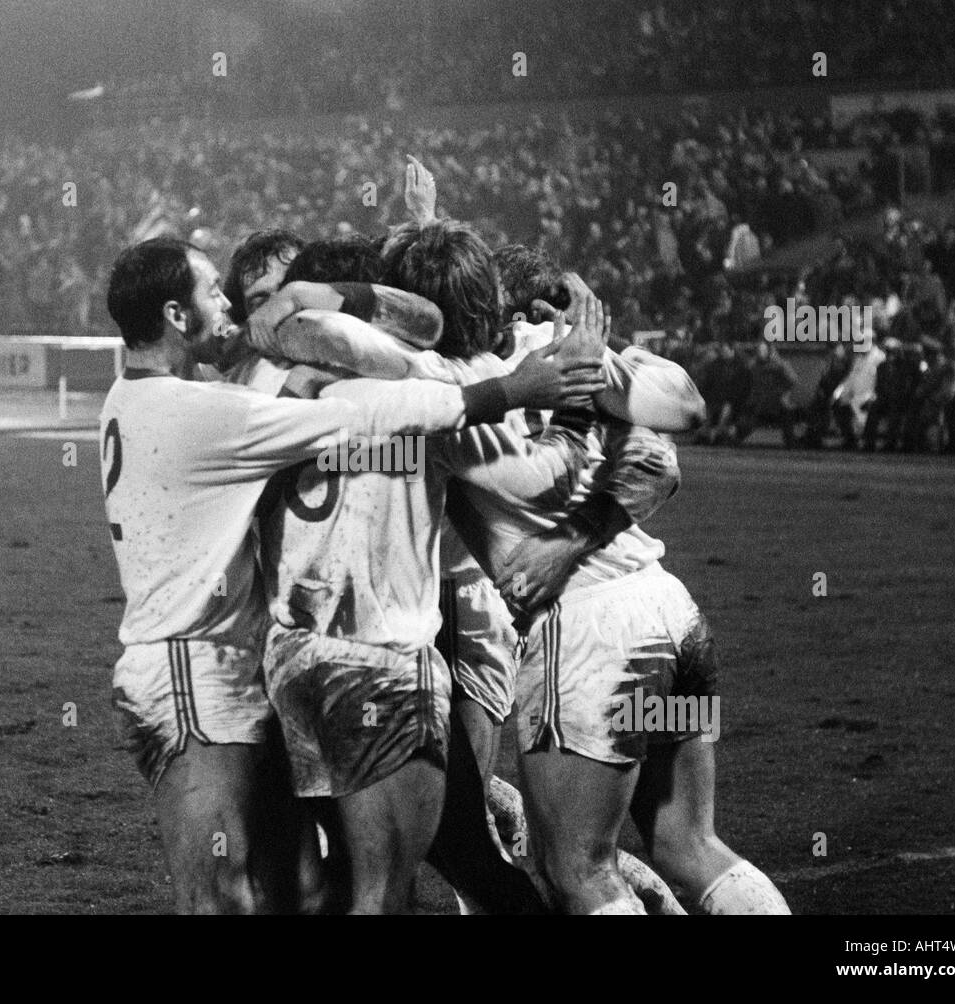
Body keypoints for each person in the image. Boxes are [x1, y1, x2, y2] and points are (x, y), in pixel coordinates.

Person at [99, 236, 594, 914]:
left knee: (303, 887)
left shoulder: (210, 387)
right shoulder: (227, 409)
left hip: (284, 665)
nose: (237, 311)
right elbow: (365, 415)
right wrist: (520, 390)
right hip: (264, 666)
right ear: (176, 315)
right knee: (334, 890)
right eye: (220, 293)